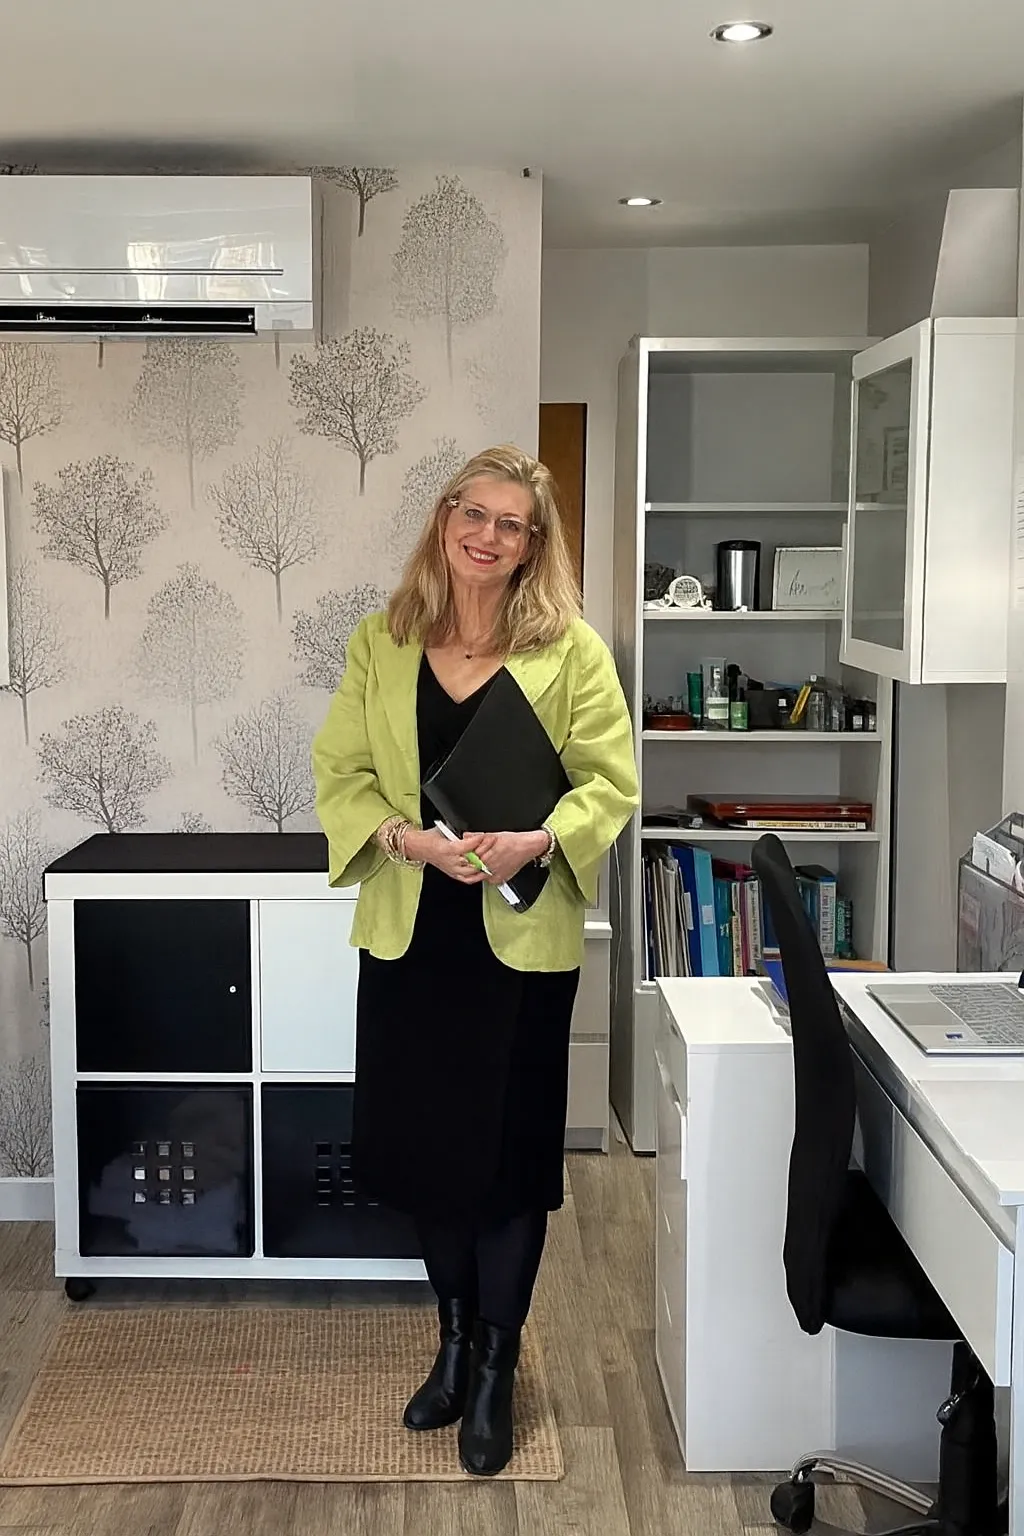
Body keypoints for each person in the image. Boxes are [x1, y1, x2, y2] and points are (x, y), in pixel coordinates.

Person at [312, 444, 638, 1476]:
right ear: (445, 519)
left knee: (506, 1169)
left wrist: (536, 841)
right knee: (425, 1160)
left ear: (534, 544)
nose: (486, 535)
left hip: (518, 939)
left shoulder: (571, 651)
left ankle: (497, 1367)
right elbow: (342, 768)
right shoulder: (383, 639)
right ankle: (451, 1346)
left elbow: (608, 782)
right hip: (412, 934)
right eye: (473, 511)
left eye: (511, 523)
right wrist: (402, 840)